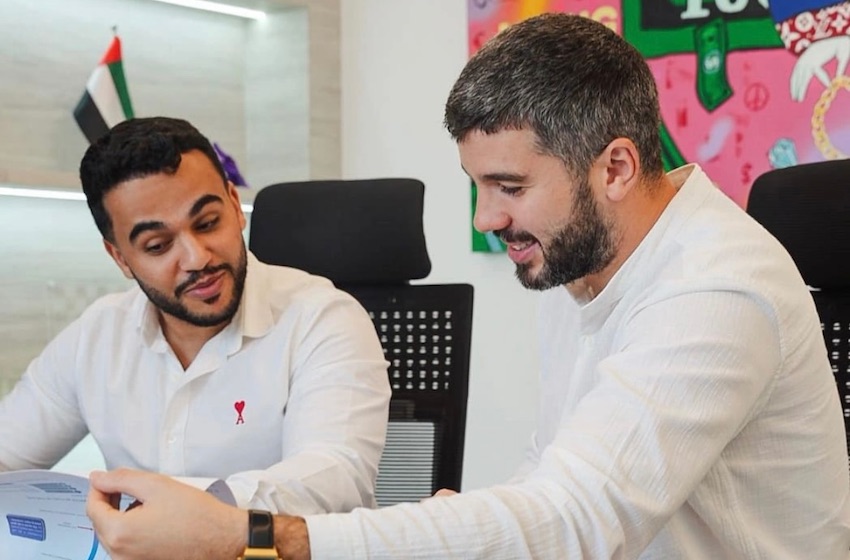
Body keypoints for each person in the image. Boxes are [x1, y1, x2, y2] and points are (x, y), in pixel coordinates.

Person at [86, 13, 850, 560]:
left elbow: (573, 520)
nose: (488, 219)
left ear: (615, 167)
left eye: (510, 186)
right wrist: (472, 521)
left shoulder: (713, 289)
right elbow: (552, 471)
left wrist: (249, 536)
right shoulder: (583, 260)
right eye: (477, 186)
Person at [0, 116, 391, 516]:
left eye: (207, 223)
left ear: (235, 205)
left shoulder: (323, 319)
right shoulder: (97, 335)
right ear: (120, 257)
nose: (197, 258)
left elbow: (334, 478)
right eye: (158, 245)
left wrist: (177, 512)